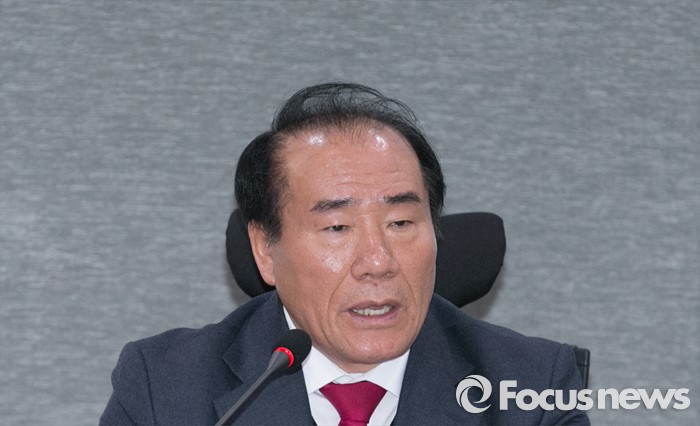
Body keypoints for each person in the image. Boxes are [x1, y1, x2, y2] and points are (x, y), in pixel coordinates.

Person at [100, 82, 589, 425]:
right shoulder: (164, 387)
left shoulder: (532, 387)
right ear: (265, 250)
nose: (378, 261)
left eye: (401, 223)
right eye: (337, 227)